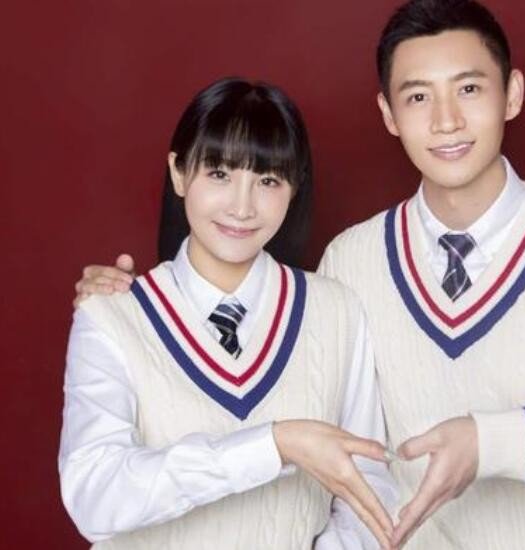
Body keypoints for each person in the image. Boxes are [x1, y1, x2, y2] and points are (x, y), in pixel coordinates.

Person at [75, 1, 525, 548]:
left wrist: (494, 442)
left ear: (512, 94)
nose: (446, 121)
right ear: (389, 114)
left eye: (469, 89)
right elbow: (345, 455)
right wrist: (135, 306)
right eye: (419, 96)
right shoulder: (353, 262)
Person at [60, 77, 398, 549]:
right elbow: (94, 498)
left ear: (294, 188)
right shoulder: (111, 317)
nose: (242, 207)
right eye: (219, 174)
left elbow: (370, 487)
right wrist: (273, 445)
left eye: (268, 181)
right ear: (179, 173)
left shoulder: (336, 310)